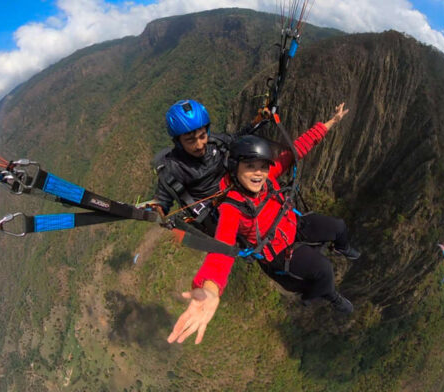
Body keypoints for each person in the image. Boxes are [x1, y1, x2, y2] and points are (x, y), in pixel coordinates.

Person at [167, 103, 360, 345]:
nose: (258, 174)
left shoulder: (268, 176)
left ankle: (341, 248)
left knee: (338, 227)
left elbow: (297, 148)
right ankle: (326, 296)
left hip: (293, 223)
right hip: (277, 251)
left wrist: (331, 122)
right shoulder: (231, 205)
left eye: (262, 167)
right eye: (250, 167)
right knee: (324, 271)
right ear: (236, 168)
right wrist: (209, 289)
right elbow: (222, 250)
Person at [152, 99, 232, 234]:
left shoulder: (217, 143)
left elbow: (239, 140)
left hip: (238, 203)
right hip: (213, 221)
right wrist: (156, 210)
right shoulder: (173, 167)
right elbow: (162, 200)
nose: (199, 145)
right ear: (178, 142)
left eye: (202, 136)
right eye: (190, 141)